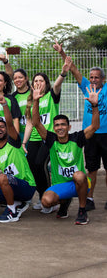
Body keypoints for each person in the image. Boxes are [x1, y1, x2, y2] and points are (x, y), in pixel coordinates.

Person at [33, 78, 100, 225]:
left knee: (79, 175)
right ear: (54, 127)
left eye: (63, 124)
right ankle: (64, 203)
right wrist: (36, 101)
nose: (60, 127)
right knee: (46, 201)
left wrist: (95, 105)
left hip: (80, 183)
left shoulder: (77, 138)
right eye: (57, 125)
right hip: (62, 185)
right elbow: (36, 123)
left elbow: (94, 126)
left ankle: (82, 211)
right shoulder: (51, 139)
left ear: (69, 127)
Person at [53, 40, 107, 211]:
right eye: (91, 77)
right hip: (90, 134)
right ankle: (89, 198)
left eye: (96, 77)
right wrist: (62, 53)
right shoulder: (86, 87)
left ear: (103, 79)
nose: (93, 80)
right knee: (91, 168)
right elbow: (74, 69)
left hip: (106, 134)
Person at [0, 95, 36, 223]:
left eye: (1, 127)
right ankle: (17, 203)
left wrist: (5, 105)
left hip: (26, 186)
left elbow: (10, 123)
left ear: (6, 130)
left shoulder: (13, 141)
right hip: (11, 186)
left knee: (2, 178)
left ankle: (12, 211)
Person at [24, 61, 67, 213]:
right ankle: (43, 197)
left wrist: (62, 73)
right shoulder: (31, 100)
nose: (38, 83)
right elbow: (29, 123)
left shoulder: (51, 95)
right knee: (31, 165)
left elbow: (57, 85)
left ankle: (51, 199)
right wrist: (24, 142)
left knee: (40, 164)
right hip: (34, 139)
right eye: (35, 80)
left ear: (46, 83)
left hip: (48, 137)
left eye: (41, 80)